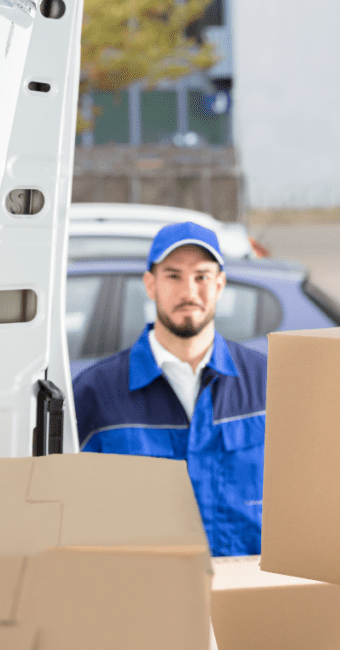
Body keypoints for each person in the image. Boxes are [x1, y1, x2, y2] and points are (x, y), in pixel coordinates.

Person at [73, 221, 267, 558]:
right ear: (150, 284)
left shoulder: (268, 382)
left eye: (202, 276)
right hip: (147, 599)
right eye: (173, 276)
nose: (189, 292)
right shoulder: (95, 392)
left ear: (220, 284)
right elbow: (73, 514)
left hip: (247, 596)